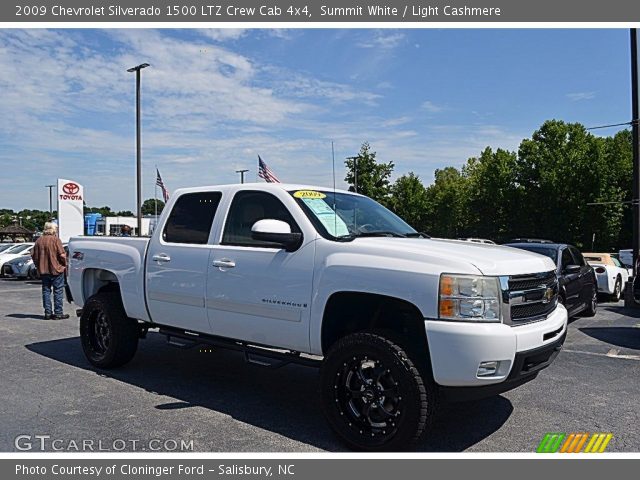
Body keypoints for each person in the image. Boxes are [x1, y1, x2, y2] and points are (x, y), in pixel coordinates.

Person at [31, 222, 69, 320]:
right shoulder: (55, 240)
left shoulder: (39, 240)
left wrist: (38, 266)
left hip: (43, 270)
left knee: (46, 291)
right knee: (58, 291)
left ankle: (47, 313)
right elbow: (62, 255)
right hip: (56, 269)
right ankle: (58, 313)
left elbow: (33, 255)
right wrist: (65, 264)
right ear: (53, 229)